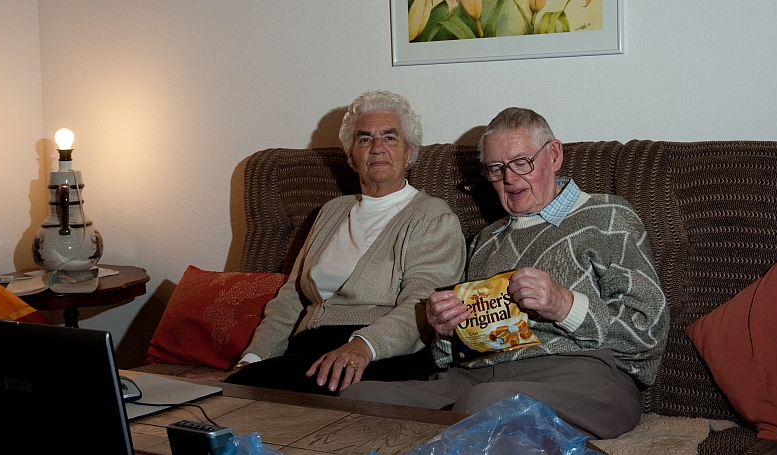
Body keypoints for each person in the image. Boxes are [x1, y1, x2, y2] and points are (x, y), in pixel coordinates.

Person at [340, 108, 670, 439]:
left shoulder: (608, 216)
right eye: (496, 169)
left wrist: (565, 305)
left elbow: (648, 333)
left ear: (554, 155)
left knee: (484, 405)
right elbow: (450, 358)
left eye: (522, 162)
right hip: (478, 377)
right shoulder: (485, 242)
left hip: (583, 375)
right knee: (361, 400)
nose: (510, 179)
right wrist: (445, 332)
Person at [221, 91, 466, 395]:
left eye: (390, 138)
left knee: (238, 392)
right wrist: (252, 360)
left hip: (385, 353)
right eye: (364, 139)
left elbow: (422, 306)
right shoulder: (332, 211)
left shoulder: (432, 216)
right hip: (308, 349)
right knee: (237, 386)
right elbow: (290, 299)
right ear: (351, 155)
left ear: (410, 152)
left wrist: (363, 346)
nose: (377, 148)